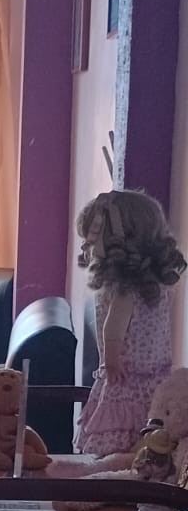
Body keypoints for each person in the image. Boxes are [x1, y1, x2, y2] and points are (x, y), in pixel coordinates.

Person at [75, 190, 186, 457]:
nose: (87, 246)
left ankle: (123, 467)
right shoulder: (149, 287)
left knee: (131, 435)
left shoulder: (129, 290)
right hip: (144, 377)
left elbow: (115, 328)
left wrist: (111, 360)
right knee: (143, 433)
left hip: (131, 376)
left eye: (92, 238)